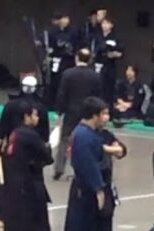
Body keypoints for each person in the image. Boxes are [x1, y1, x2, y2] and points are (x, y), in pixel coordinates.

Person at [59, 97, 110, 231]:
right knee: (81, 230)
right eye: (103, 114)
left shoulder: (89, 134)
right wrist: (98, 188)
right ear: (94, 115)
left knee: (88, 230)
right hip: (85, 190)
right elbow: (87, 165)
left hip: (85, 187)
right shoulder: (83, 136)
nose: (106, 118)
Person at [0, 103, 55, 231]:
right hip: (30, 182)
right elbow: (46, 156)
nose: (37, 118)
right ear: (27, 116)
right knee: (35, 220)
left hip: (14, 182)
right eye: (35, 115)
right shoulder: (31, 135)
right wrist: (48, 149)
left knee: (16, 219)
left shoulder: (15, 133)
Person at [0, 75, 49, 227]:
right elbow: (45, 136)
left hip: (11, 151)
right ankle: (30, 214)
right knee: (34, 182)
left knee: (6, 183)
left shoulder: (10, 106)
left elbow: (0, 132)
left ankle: (2, 217)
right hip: (34, 153)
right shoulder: (41, 108)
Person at [53, 49, 103, 181]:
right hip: (88, 112)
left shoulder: (68, 74)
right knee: (85, 141)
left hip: (71, 111)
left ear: (77, 58)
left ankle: (59, 168)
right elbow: (97, 96)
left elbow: (62, 94)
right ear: (90, 60)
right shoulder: (95, 76)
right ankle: (81, 169)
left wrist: (59, 111)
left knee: (64, 140)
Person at [44, 12, 77, 107]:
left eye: (67, 18)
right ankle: (51, 103)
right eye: (63, 18)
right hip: (55, 60)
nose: (65, 20)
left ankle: (63, 104)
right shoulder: (52, 31)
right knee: (53, 83)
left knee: (66, 83)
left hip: (68, 61)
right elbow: (47, 44)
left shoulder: (73, 31)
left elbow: (76, 45)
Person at [96, 17, 123, 105]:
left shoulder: (116, 37)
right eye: (103, 23)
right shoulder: (97, 36)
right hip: (98, 64)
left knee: (109, 89)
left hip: (110, 66)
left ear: (111, 25)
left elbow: (121, 53)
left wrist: (113, 54)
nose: (104, 25)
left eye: (107, 23)